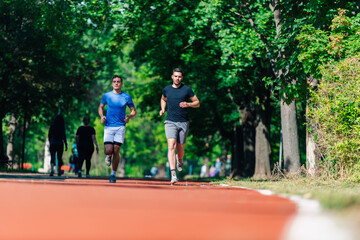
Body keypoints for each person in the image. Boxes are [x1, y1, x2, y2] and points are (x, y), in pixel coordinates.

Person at [159, 68, 200, 184]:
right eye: (175, 76)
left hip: (183, 122)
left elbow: (197, 103)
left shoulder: (187, 89)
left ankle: (180, 159)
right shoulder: (166, 89)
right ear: (172, 77)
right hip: (170, 121)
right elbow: (163, 99)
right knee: (171, 146)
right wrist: (162, 109)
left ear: (182, 78)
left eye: (179, 77)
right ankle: (173, 174)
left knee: (180, 148)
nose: (177, 78)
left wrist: (188, 104)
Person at [98, 75, 136, 183]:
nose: (116, 83)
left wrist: (129, 116)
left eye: (118, 81)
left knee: (117, 150)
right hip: (109, 126)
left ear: (121, 83)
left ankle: (113, 174)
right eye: (114, 81)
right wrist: (102, 116)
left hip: (120, 126)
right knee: (108, 150)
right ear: (112, 83)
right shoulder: (107, 96)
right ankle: (108, 156)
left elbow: (133, 111)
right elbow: (100, 107)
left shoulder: (126, 97)